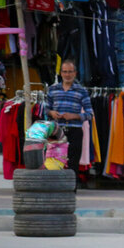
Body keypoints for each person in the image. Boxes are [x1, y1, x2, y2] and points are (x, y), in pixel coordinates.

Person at [46, 59, 93, 187]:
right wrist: (51, 113)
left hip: (75, 130)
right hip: (57, 130)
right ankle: (55, 187)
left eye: (70, 72)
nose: (67, 74)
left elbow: (90, 114)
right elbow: (45, 109)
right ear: (61, 73)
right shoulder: (52, 89)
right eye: (65, 72)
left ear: (75, 73)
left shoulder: (81, 91)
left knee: (73, 161)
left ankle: (71, 188)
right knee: (55, 160)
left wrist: (75, 116)